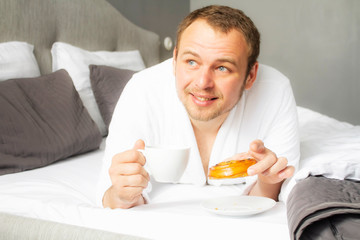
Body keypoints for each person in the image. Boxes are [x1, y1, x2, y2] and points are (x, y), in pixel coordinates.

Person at [96, 5, 300, 209]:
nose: (203, 83)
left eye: (222, 68)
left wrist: (266, 182)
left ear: (250, 75)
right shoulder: (141, 90)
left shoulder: (275, 91)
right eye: (191, 62)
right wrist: (122, 195)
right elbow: (111, 198)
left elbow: (267, 195)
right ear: (175, 61)